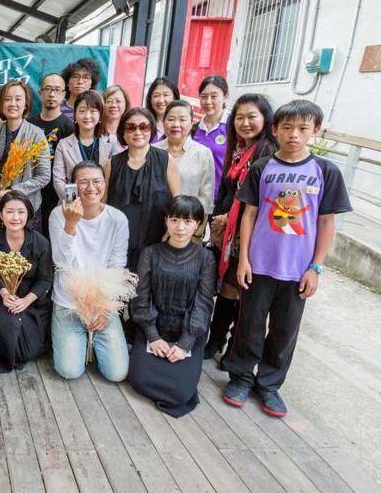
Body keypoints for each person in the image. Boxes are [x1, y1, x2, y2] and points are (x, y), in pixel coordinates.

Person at [221, 100, 352, 417]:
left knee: (284, 330)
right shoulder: (262, 167)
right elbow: (249, 214)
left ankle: (269, 385)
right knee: (249, 325)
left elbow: (325, 222)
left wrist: (316, 267)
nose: (294, 135)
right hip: (260, 265)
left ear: (315, 131)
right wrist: (244, 260)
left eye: (303, 128)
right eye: (288, 127)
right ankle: (240, 378)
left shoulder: (325, 172)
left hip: (297, 271)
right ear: (275, 129)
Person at [204, 94, 278, 360]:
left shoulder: (267, 151)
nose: (245, 123)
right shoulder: (238, 151)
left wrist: (230, 218)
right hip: (229, 231)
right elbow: (227, 190)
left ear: (266, 119)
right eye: (240, 117)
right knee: (228, 287)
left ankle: (232, 348)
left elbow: (258, 199)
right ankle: (216, 341)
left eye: (252, 116)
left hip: (251, 233)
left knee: (241, 290)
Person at [129, 196, 216, 417]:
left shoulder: (205, 258)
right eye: (175, 219)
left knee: (180, 392)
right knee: (140, 380)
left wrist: (185, 343)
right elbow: (141, 296)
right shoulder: (150, 253)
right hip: (154, 326)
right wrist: (153, 336)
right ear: (166, 220)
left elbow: (204, 302)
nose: (180, 227)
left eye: (188, 221)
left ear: (197, 224)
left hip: (187, 330)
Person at [49, 162, 129, 382]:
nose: (91, 187)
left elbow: (117, 266)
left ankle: (94, 340)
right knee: (69, 371)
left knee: (117, 373)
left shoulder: (117, 219)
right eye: (83, 182)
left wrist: (103, 308)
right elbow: (62, 263)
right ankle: (76, 339)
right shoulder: (58, 215)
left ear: (105, 184)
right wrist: (71, 226)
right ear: (73, 186)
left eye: (97, 181)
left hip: (103, 302)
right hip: (69, 303)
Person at [103, 107, 181, 272]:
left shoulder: (166, 159)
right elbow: (103, 204)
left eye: (143, 127)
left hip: (156, 239)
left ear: (151, 130)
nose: (137, 132)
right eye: (130, 127)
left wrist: (171, 232)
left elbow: (177, 202)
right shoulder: (112, 163)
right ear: (123, 133)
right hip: (118, 242)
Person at [0, 191, 53, 371]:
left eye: (20, 212)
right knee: (9, 331)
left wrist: (26, 301)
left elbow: (46, 279)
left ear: (28, 214)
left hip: (33, 302)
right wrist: (3, 293)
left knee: (27, 352)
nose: (15, 217)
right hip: (6, 300)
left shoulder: (40, 243)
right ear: (1, 214)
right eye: (9, 211)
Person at [0, 80, 51, 242]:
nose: (13, 104)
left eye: (18, 99)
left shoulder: (36, 134)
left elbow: (44, 176)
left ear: (26, 104)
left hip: (25, 208)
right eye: (7, 99)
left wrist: (14, 191)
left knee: (22, 258)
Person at [28, 73, 75, 235]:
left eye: (57, 90)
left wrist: (70, 201)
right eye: (47, 89)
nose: (52, 94)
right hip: (32, 191)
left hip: (56, 195)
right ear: (40, 93)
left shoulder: (69, 127)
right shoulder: (29, 124)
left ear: (63, 94)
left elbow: (73, 168)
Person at [154, 101, 215, 216]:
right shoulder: (153, 151)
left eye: (182, 120)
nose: (176, 124)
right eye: (171, 119)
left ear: (191, 123)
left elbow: (206, 201)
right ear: (163, 122)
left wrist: (197, 232)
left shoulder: (203, 153)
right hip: (154, 221)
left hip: (188, 223)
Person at [53, 90, 112, 202]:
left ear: (100, 116)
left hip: (100, 204)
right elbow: (58, 180)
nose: (87, 116)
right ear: (75, 115)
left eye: (93, 111)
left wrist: (99, 203)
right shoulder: (63, 145)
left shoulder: (110, 143)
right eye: (82, 111)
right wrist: (74, 202)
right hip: (71, 204)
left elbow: (110, 179)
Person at [192, 76, 230, 196]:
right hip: (196, 197)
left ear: (225, 96)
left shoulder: (232, 126)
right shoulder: (194, 129)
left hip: (222, 198)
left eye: (214, 96)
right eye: (204, 96)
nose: (208, 102)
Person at [144, 77, 180, 143]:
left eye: (166, 95)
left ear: (175, 98)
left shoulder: (181, 126)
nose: (161, 100)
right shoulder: (144, 124)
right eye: (156, 95)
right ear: (150, 100)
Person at [102, 85, 131, 156]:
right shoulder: (94, 130)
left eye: (118, 101)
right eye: (109, 101)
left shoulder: (131, 132)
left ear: (126, 104)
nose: (113, 105)